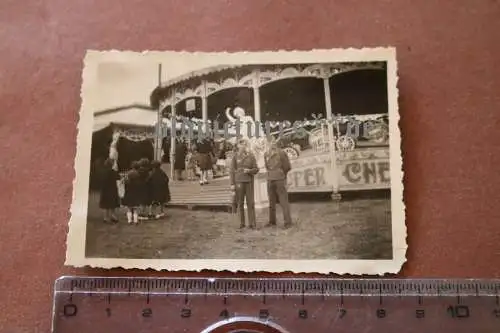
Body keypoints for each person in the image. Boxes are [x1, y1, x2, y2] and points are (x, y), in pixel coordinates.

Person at [230, 138, 259, 229]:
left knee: (251, 203)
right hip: (239, 182)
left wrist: (249, 171)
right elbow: (231, 171)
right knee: (240, 203)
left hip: (248, 182)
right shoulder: (235, 157)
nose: (243, 146)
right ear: (238, 146)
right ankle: (241, 223)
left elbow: (256, 169)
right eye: (241, 144)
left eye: (244, 144)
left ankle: (252, 223)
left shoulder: (251, 156)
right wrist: (232, 184)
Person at [264, 137, 292, 228]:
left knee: (283, 201)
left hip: (279, 179)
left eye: (272, 142)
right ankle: (272, 221)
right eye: (268, 142)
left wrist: (281, 174)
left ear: (275, 142)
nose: (271, 144)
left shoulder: (281, 152)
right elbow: (267, 166)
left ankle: (287, 222)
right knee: (271, 202)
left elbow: (287, 166)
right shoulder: (266, 154)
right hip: (270, 179)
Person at [98, 158, 121, 223]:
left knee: (106, 204)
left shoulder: (102, 171)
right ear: (111, 164)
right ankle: (113, 216)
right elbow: (118, 177)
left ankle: (105, 217)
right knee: (112, 203)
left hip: (105, 189)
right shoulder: (113, 172)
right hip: (112, 189)